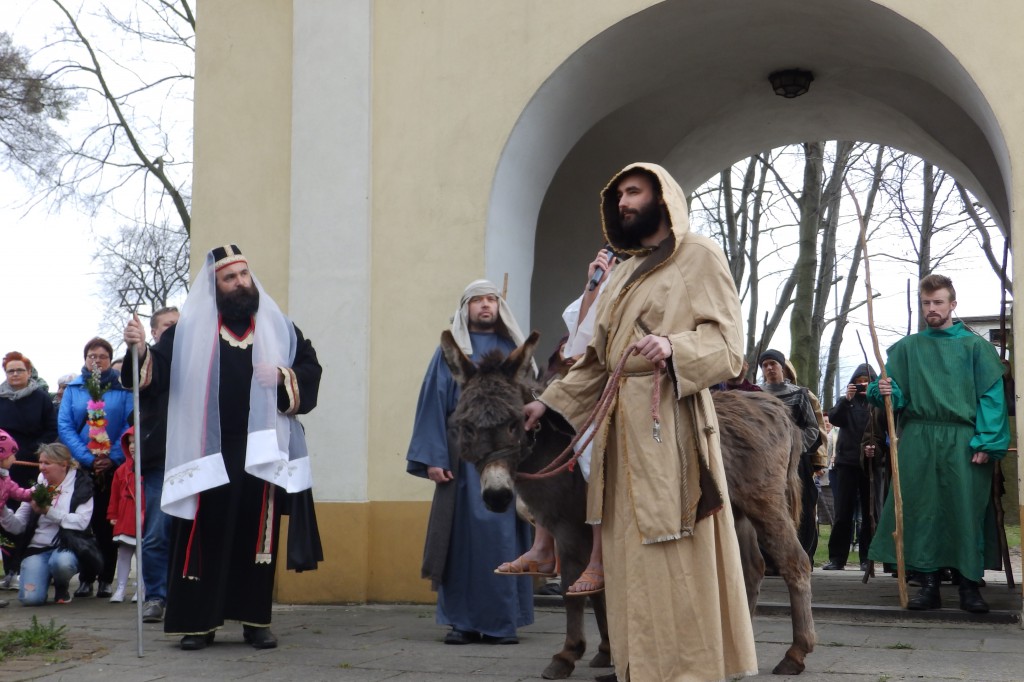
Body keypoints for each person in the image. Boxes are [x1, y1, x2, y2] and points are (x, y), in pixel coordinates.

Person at [523, 163, 757, 682]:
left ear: (662, 197)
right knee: (626, 550)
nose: (624, 203)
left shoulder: (699, 255)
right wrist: (549, 403)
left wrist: (674, 346)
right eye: (620, 196)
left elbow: (728, 347)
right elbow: (597, 361)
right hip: (617, 430)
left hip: (669, 420)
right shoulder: (624, 272)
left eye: (634, 192)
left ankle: (688, 667)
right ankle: (640, 664)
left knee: (674, 545)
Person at [123, 244, 322, 650]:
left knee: (256, 538)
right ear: (215, 286)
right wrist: (140, 350)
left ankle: (255, 621)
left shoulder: (278, 326)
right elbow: (156, 373)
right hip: (207, 450)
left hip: (261, 450)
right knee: (204, 536)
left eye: (244, 274)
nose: (240, 283)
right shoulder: (189, 330)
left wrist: (281, 376)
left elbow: (310, 368)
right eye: (230, 278)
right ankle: (198, 624)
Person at [869, 274, 1009, 613]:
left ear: (952, 304)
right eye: (926, 303)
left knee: (965, 510)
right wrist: (883, 390)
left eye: (938, 302)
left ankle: (969, 586)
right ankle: (928, 585)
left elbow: (991, 397)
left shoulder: (975, 347)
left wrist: (988, 441)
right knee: (921, 511)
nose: (931, 308)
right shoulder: (908, 348)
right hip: (918, 438)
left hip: (964, 439)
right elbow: (892, 395)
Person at [407, 280, 535, 646]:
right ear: (466, 309)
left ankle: (502, 622)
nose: (485, 305)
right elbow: (433, 402)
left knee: (503, 539)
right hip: (461, 460)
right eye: (477, 300)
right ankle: (461, 622)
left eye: (491, 299)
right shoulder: (450, 354)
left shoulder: (514, 352)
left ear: (499, 306)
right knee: (460, 543)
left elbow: (531, 405)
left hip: (505, 461)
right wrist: (433, 458)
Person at [494, 248, 617, 597]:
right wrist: (593, 287)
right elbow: (579, 339)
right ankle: (543, 547)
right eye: (601, 258)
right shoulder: (596, 288)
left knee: (594, 456)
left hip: (616, 389)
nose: (603, 263)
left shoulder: (635, 287)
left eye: (610, 259)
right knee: (546, 441)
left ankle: (598, 557)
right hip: (581, 389)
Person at [57, 338, 132, 599]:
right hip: (83, 464)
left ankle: (106, 578)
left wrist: (112, 456)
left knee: (106, 522)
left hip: (113, 465)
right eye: (92, 356)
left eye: (102, 356)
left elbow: (129, 422)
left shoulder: (123, 388)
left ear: (110, 359)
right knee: (84, 522)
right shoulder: (75, 388)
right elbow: (65, 425)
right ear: (85, 359)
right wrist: (88, 457)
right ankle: (86, 577)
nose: (96, 360)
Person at [0, 442, 94, 606]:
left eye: (47, 463)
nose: (41, 467)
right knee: (30, 600)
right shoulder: (37, 488)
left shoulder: (81, 486)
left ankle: (61, 585)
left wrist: (48, 512)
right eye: (40, 462)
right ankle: (41, 578)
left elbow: (81, 522)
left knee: (61, 563)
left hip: (67, 546)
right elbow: (17, 526)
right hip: (37, 548)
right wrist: (2, 509)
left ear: (63, 464)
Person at [132, 305, 179, 623]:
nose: (174, 330)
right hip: (161, 458)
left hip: (196, 457)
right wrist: (138, 350)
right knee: (157, 532)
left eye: (178, 325)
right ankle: (156, 596)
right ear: (154, 331)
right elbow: (139, 379)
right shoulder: (150, 359)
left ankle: (188, 594)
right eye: (168, 325)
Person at [0, 351, 58, 588]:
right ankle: (10, 570)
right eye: (10, 371)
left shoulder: (41, 398)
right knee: (6, 518)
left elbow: (51, 428)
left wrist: (31, 451)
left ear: (29, 372)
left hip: (33, 465)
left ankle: (33, 568)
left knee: (33, 517)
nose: (15, 374)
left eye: (19, 370)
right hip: (5, 468)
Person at [759, 349, 822, 565]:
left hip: (796, 460)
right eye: (765, 365)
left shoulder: (799, 394)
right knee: (767, 507)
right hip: (765, 462)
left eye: (773, 364)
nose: (769, 368)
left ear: (782, 367)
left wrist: (794, 447)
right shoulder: (756, 394)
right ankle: (770, 561)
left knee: (801, 505)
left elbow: (812, 428)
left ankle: (801, 558)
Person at [823, 364, 880, 572]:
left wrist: (876, 450)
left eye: (867, 381)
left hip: (870, 463)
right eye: (859, 381)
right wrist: (846, 400)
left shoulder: (877, 404)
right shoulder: (846, 402)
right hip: (846, 463)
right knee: (842, 512)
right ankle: (837, 558)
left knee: (869, 512)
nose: (863, 384)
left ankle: (867, 557)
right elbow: (834, 419)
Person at [106, 427, 142, 603]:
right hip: (125, 517)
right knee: (124, 553)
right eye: (130, 443)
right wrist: (112, 514)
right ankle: (120, 588)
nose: (132, 446)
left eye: (136, 442)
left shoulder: (150, 470)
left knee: (142, 554)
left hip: (142, 517)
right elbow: (114, 496)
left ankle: (142, 588)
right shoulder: (121, 470)